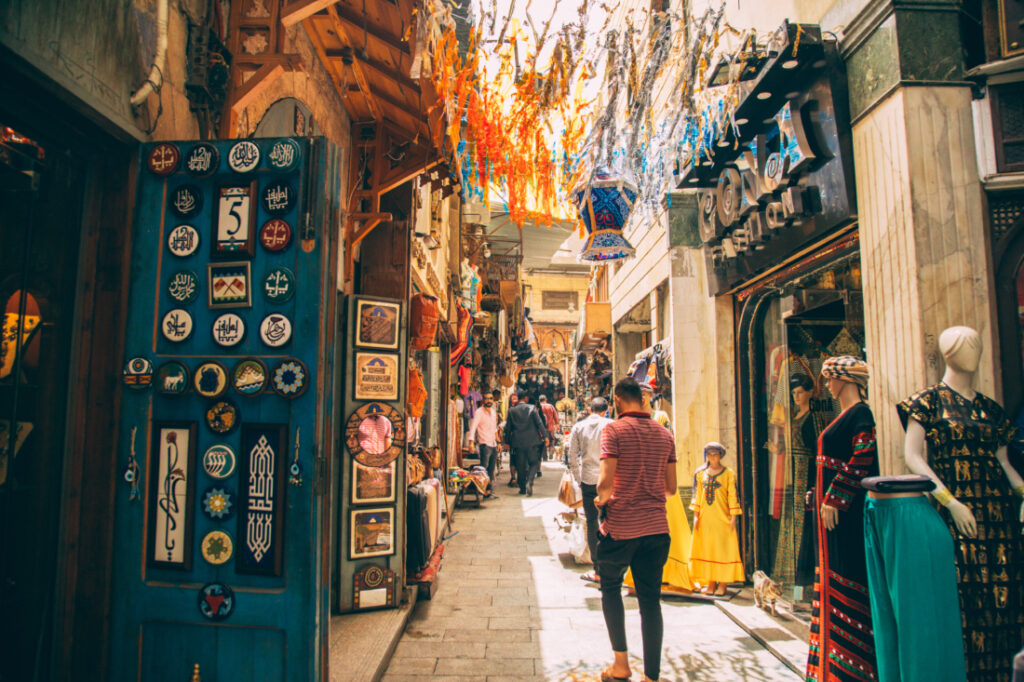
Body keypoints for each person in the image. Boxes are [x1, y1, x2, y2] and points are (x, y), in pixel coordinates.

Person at [595, 377, 676, 682]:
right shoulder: (664, 434)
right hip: (656, 528)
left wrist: (601, 498)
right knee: (650, 601)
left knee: (611, 589)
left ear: (617, 400)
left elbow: (604, 484)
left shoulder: (613, 430)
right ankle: (652, 676)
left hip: (621, 527)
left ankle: (621, 665)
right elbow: (670, 488)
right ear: (642, 400)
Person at [806, 356, 879, 682]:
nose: (828, 386)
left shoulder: (861, 413)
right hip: (832, 518)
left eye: (830, 379)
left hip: (844, 518)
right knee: (834, 574)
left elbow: (864, 454)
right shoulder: (848, 415)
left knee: (848, 574)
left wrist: (836, 496)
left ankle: (852, 668)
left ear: (845, 379)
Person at [567, 396, 613, 584]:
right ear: (606, 409)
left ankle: (597, 568)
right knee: (609, 521)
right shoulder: (611, 425)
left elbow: (571, 457)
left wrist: (579, 479)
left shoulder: (579, 427)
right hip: (608, 479)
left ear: (589, 409)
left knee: (592, 522)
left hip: (588, 480)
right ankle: (611, 565)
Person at [688, 442, 743, 596]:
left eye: (715, 454)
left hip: (722, 518)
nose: (712, 457)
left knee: (723, 550)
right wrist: (696, 516)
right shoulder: (700, 474)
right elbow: (697, 495)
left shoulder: (728, 474)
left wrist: (733, 517)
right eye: (710, 454)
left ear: (721, 455)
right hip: (706, 518)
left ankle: (723, 584)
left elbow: (732, 495)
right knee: (708, 549)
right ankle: (710, 583)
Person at [503, 390, 549, 496]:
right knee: (533, 463)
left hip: (517, 442)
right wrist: (545, 436)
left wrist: (506, 442)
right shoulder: (532, 408)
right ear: (526, 398)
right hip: (532, 441)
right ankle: (530, 481)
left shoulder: (511, 411)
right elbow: (539, 423)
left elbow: (508, 428)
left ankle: (523, 489)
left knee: (521, 465)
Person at [467, 394, 499, 497]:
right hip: (484, 443)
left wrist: (498, 443)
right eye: (487, 398)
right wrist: (471, 442)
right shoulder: (479, 412)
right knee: (483, 469)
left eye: (491, 398)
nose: (489, 400)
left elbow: (495, 429)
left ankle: (488, 490)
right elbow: (473, 427)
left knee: (491, 469)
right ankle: (482, 490)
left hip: (493, 443)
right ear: (483, 400)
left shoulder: (493, 412)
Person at [539, 394, 560, 461]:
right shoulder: (550, 406)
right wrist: (557, 424)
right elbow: (555, 416)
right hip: (550, 427)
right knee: (552, 440)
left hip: (541, 428)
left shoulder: (538, 407)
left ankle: (545, 457)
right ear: (546, 400)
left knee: (543, 441)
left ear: (539, 401)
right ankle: (551, 452)